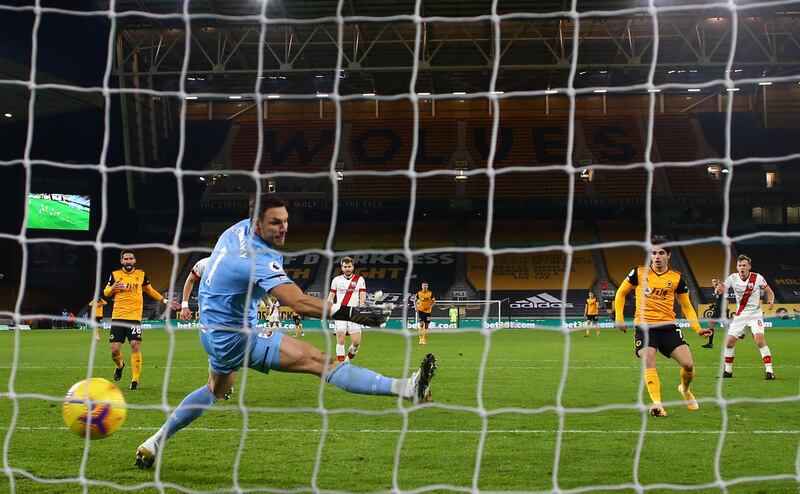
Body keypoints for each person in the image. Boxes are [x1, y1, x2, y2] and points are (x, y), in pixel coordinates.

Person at [134, 195, 437, 470]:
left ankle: (154, 441)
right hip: (237, 337)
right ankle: (408, 389)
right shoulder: (258, 259)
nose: (283, 229)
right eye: (275, 222)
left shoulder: (234, 231)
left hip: (209, 331)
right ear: (257, 223)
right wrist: (354, 313)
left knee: (216, 389)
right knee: (321, 361)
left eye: (286, 221)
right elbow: (298, 303)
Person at [614, 237, 711, 417]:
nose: (657, 257)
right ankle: (657, 404)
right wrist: (619, 317)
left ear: (668, 255)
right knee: (648, 358)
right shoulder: (638, 272)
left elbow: (687, 306)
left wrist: (698, 329)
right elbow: (620, 293)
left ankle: (684, 389)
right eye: (653, 253)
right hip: (644, 326)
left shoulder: (676, 278)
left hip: (667, 326)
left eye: (661, 253)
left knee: (688, 365)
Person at [103, 249, 180, 390]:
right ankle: (120, 365)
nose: (128, 261)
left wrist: (165, 300)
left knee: (135, 345)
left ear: (134, 260)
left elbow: (149, 290)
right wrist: (112, 287)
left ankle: (134, 380)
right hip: (118, 317)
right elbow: (106, 292)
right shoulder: (115, 275)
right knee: (114, 350)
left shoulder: (141, 275)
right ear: (121, 261)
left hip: (134, 317)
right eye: (125, 259)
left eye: (130, 258)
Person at [716, 255, 776, 380]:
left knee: (759, 341)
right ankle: (728, 371)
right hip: (740, 315)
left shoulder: (757, 278)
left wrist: (770, 301)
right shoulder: (732, 278)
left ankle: (769, 371)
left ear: (749, 266)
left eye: (744, 265)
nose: (741, 268)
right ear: (737, 267)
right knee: (729, 343)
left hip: (755, 314)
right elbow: (721, 289)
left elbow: (769, 292)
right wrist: (718, 290)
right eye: (739, 266)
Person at [327, 257, 366, 362]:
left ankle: (347, 361)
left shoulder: (359, 280)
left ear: (353, 267)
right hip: (340, 312)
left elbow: (362, 295)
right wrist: (327, 310)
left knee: (356, 342)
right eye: (345, 267)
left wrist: (362, 307)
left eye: (349, 266)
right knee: (341, 339)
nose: (347, 269)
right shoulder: (336, 280)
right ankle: (341, 366)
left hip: (354, 313)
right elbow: (331, 297)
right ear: (342, 268)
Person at [180, 257, 210, 321]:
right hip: (207, 312)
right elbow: (190, 280)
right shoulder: (204, 263)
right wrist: (184, 306)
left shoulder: (235, 264)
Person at [702, 276, 726, 349]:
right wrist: (713, 305)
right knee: (711, 325)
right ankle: (710, 343)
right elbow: (719, 300)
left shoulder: (720, 288)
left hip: (719, 310)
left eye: (716, 281)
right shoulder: (716, 289)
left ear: (719, 281)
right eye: (713, 282)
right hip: (717, 309)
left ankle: (710, 343)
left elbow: (722, 293)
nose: (714, 283)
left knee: (710, 325)